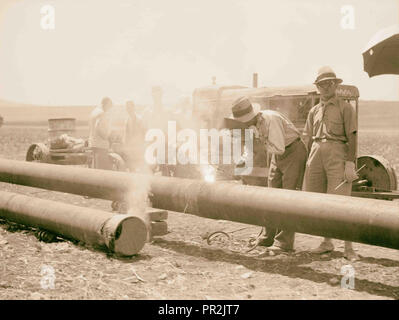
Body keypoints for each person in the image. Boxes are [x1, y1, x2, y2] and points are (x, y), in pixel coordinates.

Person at [226, 96, 307, 254]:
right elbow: (250, 149)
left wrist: (256, 141)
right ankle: (267, 235)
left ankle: (284, 242)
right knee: (270, 195)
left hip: (293, 152)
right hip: (278, 156)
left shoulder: (271, 119)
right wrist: (243, 160)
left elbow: (278, 148)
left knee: (287, 197)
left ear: (252, 117)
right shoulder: (252, 125)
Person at [302, 66, 359, 261]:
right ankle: (327, 242)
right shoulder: (314, 111)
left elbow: (352, 137)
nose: (325, 87)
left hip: (337, 152)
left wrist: (350, 163)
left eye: (329, 83)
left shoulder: (345, 108)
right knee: (320, 201)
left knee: (341, 202)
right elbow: (308, 138)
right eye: (321, 85)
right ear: (317, 87)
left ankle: (349, 247)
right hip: (316, 153)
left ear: (335, 85)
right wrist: (307, 162)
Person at [88, 96, 113, 170]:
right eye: (109, 106)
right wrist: (106, 137)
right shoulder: (102, 113)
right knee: (102, 169)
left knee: (95, 168)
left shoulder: (94, 112)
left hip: (94, 143)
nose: (109, 109)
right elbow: (98, 127)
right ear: (106, 104)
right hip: (101, 145)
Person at [122, 100, 146, 172]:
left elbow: (143, 132)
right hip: (131, 149)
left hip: (139, 148)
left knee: (141, 167)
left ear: (133, 107)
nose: (128, 109)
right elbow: (126, 135)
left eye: (129, 107)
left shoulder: (140, 119)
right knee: (132, 169)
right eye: (127, 108)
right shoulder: (127, 120)